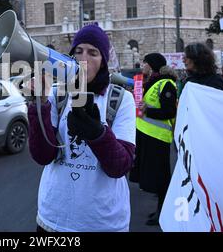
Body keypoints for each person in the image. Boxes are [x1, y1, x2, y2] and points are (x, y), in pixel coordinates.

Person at [28, 24, 136, 232]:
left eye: (93, 52)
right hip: (53, 219)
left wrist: (97, 133)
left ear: (104, 61)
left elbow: (121, 166)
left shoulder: (121, 99)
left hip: (102, 223)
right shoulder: (57, 95)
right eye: (78, 51)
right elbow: (42, 156)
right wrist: (38, 104)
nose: (83, 58)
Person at [129, 53, 178, 226]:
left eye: (145, 63)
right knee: (154, 177)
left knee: (161, 177)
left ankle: (163, 212)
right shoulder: (151, 82)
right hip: (147, 135)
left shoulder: (167, 84)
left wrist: (147, 110)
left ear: (152, 65)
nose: (142, 65)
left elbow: (170, 112)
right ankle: (160, 209)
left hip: (158, 137)